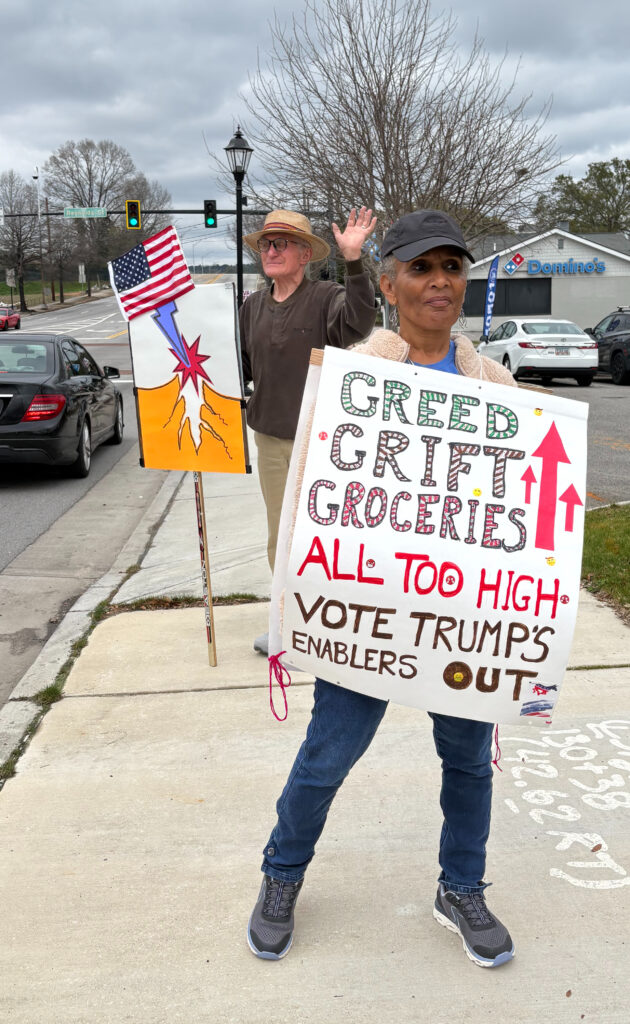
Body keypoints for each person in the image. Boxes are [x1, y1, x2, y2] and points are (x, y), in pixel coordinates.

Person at [247, 209, 518, 968]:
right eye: (423, 269)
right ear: (392, 282)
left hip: (458, 615)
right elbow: (312, 496)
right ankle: (281, 874)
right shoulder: (357, 378)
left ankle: (462, 886)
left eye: (453, 268)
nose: (440, 282)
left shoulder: (495, 385)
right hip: (368, 608)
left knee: (467, 760)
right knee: (328, 752)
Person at [240, 208, 378, 654]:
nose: (272, 250)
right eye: (266, 244)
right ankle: (285, 623)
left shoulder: (326, 297)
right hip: (269, 438)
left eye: (282, 244)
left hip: (321, 442)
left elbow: (360, 321)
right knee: (279, 538)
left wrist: (354, 260)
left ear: (304, 255)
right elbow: (244, 367)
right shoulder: (252, 307)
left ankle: (328, 624)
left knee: (323, 538)